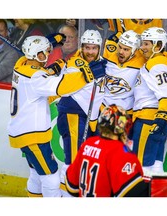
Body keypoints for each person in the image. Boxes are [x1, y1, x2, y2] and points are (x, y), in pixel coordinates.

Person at [7, 35, 95, 197]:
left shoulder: (20, 65)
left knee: (36, 174)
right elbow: (63, 87)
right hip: (33, 136)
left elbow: (41, 71)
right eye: (46, 52)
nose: (48, 54)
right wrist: (86, 73)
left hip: (22, 132)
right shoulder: (35, 78)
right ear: (38, 55)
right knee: (51, 178)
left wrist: (53, 41)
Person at [56, 29, 106, 197]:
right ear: (82, 47)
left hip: (88, 117)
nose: (90, 52)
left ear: (99, 48)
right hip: (73, 115)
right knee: (73, 162)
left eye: (93, 48)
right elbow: (66, 86)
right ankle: (67, 199)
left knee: (86, 161)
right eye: (87, 48)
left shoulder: (102, 63)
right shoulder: (74, 64)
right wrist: (89, 73)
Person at [65, 104, 149, 197]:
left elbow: (71, 186)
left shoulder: (88, 144)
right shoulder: (119, 151)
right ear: (121, 126)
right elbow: (134, 193)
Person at [132, 27, 167, 173]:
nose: (142, 48)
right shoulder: (163, 61)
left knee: (140, 169)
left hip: (149, 120)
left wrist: (162, 118)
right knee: (156, 166)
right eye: (142, 44)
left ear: (158, 46)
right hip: (157, 119)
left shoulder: (156, 64)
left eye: (146, 44)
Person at [102, 29, 145, 116]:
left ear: (134, 51)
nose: (121, 52)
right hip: (103, 107)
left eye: (126, 49)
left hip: (125, 111)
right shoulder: (109, 57)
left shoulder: (142, 63)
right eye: (120, 47)